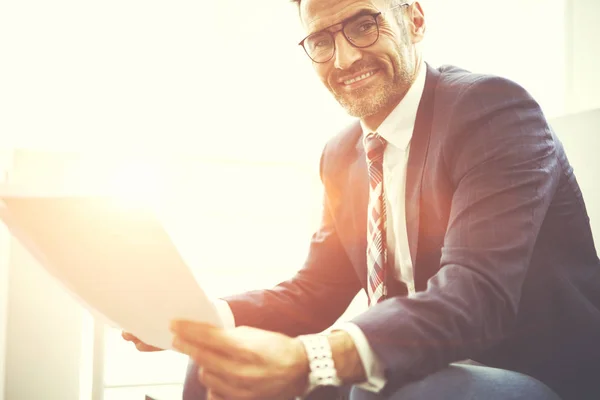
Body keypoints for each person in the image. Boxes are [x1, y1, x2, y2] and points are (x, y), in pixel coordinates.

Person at [124, 0, 600, 399]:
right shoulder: (341, 154)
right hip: (421, 364)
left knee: (388, 388)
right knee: (216, 363)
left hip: (540, 374)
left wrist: (312, 357)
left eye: (362, 25)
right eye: (322, 41)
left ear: (413, 20)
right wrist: (199, 320)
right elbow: (314, 291)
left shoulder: (491, 111)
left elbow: (476, 296)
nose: (344, 59)